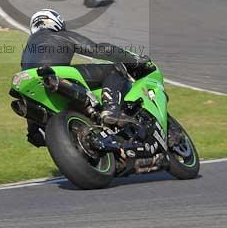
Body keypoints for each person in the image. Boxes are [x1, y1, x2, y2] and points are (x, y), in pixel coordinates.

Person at [20, 9, 156, 146]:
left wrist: (32, 129)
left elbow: (31, 94)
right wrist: (135, 60)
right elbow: (99, 50)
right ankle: (112, 109)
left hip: (36, 88)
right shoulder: (61, 35)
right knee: (114, 69)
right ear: (56, 22)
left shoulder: (26, 51)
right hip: (57, 76)